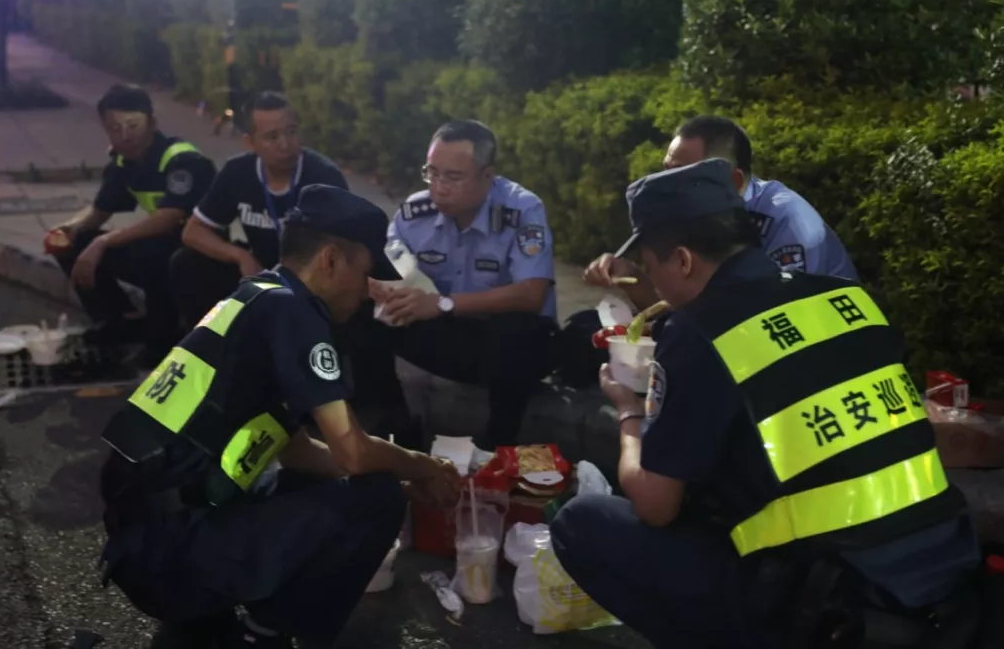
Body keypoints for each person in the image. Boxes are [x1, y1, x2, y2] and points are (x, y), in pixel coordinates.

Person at [550, 158, 981, 649]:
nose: (655, 286)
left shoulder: (700, 331)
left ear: (684, 261)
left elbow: (655, 505)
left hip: (832, 607)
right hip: (941, 583)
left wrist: (628, 411)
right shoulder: (850, 299)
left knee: (581, 524)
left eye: (652, 269)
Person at [97, 184, 462, 649]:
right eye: (366, 273)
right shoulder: (294, 312)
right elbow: (352, 451)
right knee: (378, 499)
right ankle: (265, 634)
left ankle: (216, 614)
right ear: (331, 259)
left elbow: (298, 453)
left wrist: (401, 477)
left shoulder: (257, 296)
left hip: (148, 541)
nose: (369, 292)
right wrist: (425, 465)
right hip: (177, 553)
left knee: (366, 484)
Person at [360, 119, 559, 450]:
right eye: (432, 173)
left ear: (487, 175)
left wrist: (442, 304)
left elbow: (532, 294)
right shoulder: (414, 214)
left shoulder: (521, 209)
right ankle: (396, 423)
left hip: (511, 350)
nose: (439, 187)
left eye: (453, 177)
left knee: (517, 329)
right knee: (362, 314)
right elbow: (384, 267)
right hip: (450, 336)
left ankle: (498, 444)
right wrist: (377, 287)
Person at [583, 115, 858, 313]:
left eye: (682, 176)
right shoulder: (699, 214)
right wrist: (632, 278)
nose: (666, 186)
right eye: (665, 172)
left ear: (733, 181)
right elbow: (685, 308)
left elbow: (775, 322)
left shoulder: (791, 224)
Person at [49, 84, 215, 367]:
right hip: (164, 248)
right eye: (115, 128)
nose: (125, 136)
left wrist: (104, 241)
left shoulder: (182, 160)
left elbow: (169, 218)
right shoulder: (124, 161)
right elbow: (101, 209)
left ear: (152, 122)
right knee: (74, 244)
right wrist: (70, 230)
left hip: (200, 256)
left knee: (151, 252)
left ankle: (163, 339)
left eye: (133, 125)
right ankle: (120, 322)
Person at [171, 91, 348, 329]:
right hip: (259, 271)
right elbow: (193, 231)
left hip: (312, 279)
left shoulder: (324, 176)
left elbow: (349, 249)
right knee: (186, 263)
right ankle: (208, 343)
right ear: (250, 143)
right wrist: (240, 256)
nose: (285, 144)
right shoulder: (238, 172)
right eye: (272, 137)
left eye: (292, 132)